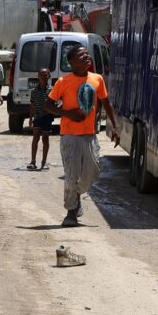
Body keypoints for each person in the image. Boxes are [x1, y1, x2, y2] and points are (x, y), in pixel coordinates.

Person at [44, 46, 120, 227]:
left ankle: (76, 194)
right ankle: (71, 212)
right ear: (72, 62)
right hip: (70, 136)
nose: (86, 56)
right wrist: (68, 113)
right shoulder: (64, 81)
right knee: (71, 176)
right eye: (81, 55)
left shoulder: (97, 79)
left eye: (87, 54)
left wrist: (115, 126)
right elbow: (48, 105)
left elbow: (106, 103)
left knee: (92, 172)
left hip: (90, 135)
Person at [27, 67, 53, 171]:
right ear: (38, 77)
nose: (43, 77)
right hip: (37, 117)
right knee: (35, 137)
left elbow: (58, 102)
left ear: (49, 76)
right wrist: (30, 118)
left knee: (45, 139)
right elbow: (32, 105)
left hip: (47, 117)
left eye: (46, 75)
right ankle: (33, 161)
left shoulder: (52, 90)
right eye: (41, 75)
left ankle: (44, 162)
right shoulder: (34, 91)